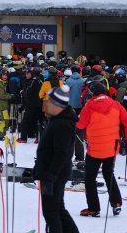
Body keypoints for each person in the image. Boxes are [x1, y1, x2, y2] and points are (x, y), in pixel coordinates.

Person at [76, 80, 127, 217]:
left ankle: (94, 208)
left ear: (92, 93)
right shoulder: (116, 105)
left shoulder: (88, 107)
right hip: (112, 148)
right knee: (109, 174)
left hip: (95, 149)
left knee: (90, 178)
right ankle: (117, 203)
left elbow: (80, 125)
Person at [34, 83, 80, 233]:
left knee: (51, 213)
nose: (46, 105)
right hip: (52, 172)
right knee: (58, 209)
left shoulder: (63, 124)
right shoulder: (58, 119)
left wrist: (50, 177)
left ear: (57, 104)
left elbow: (62, 153)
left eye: (49, 101)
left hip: (55, 174)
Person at [19, 67, 43, 143]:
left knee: (25, 122)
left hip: (32, 105)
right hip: (37, 104)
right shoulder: (39, 80)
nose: (26, 75)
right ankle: (38, 138)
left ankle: (23, 138)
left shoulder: (33, 81)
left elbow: (28, 92)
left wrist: (22, 92)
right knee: (35, 121)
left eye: (28, 73)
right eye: (26, 73)